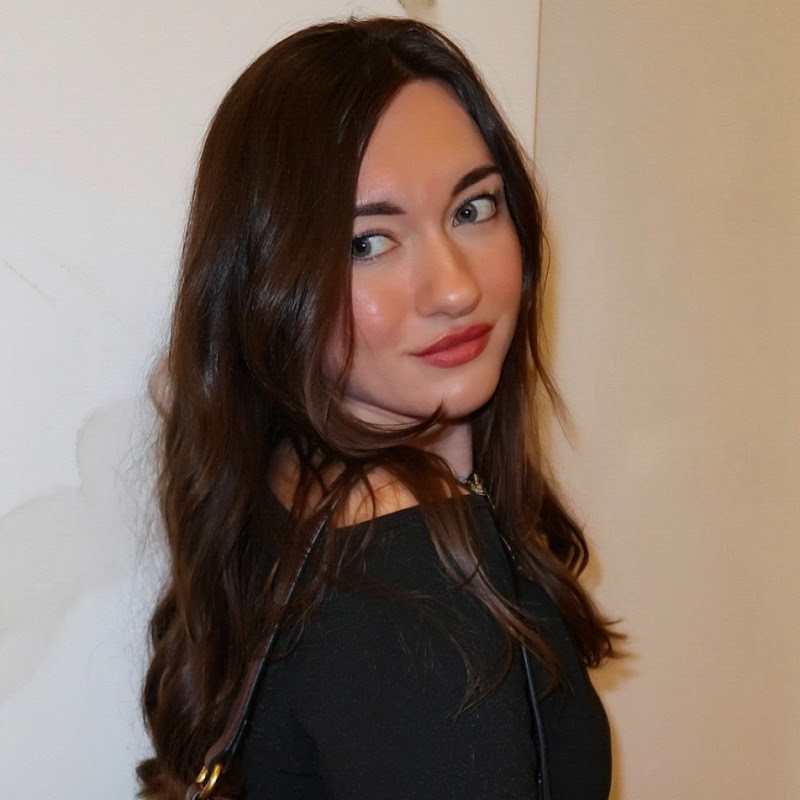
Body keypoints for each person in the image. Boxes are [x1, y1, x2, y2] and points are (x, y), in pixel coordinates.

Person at [138, 16, 621, 800]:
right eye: (368, 242)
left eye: (473, 208)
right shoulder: (410, 582)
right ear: (271, 284)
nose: (455, 288)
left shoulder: (293, 480)